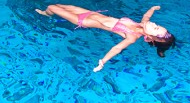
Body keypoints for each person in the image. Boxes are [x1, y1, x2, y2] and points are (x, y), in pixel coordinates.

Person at [35, 4, 175, 71]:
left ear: (151, 37)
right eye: (157, 24)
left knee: (52, 7)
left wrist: (103, 61)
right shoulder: (143, 24)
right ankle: (47, 13)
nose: (154, 24)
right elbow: (147, 16)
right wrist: (153, 8)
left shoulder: (132, 36)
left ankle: (46, 14)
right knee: (57, 5)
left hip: (83, 21)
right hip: (89, 12)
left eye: (155, 28)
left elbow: (117, 48)